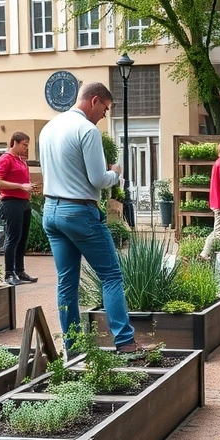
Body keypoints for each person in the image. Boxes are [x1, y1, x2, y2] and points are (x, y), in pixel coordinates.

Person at [39, 82, 144, 353]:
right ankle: (125, 341)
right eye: (105, 110)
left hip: (51, 211)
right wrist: (116, 173)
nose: (104, 116)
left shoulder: (49, 128)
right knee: (110, 275)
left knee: (66, 281)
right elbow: (97, 179)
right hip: (79, 211)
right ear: (94, 100)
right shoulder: (87, 130)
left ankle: (72, 347)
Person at [0, 131, 38, 286]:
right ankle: (9, 273)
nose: (26, 148)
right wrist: (20, 186)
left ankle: (19, 270)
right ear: (14, 142)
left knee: (22, 238)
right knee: (13, 237)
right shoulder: (5, 159)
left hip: (23, 202)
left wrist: (28, 187)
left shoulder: (20, 160)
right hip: (11, 202)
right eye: (24, 145)